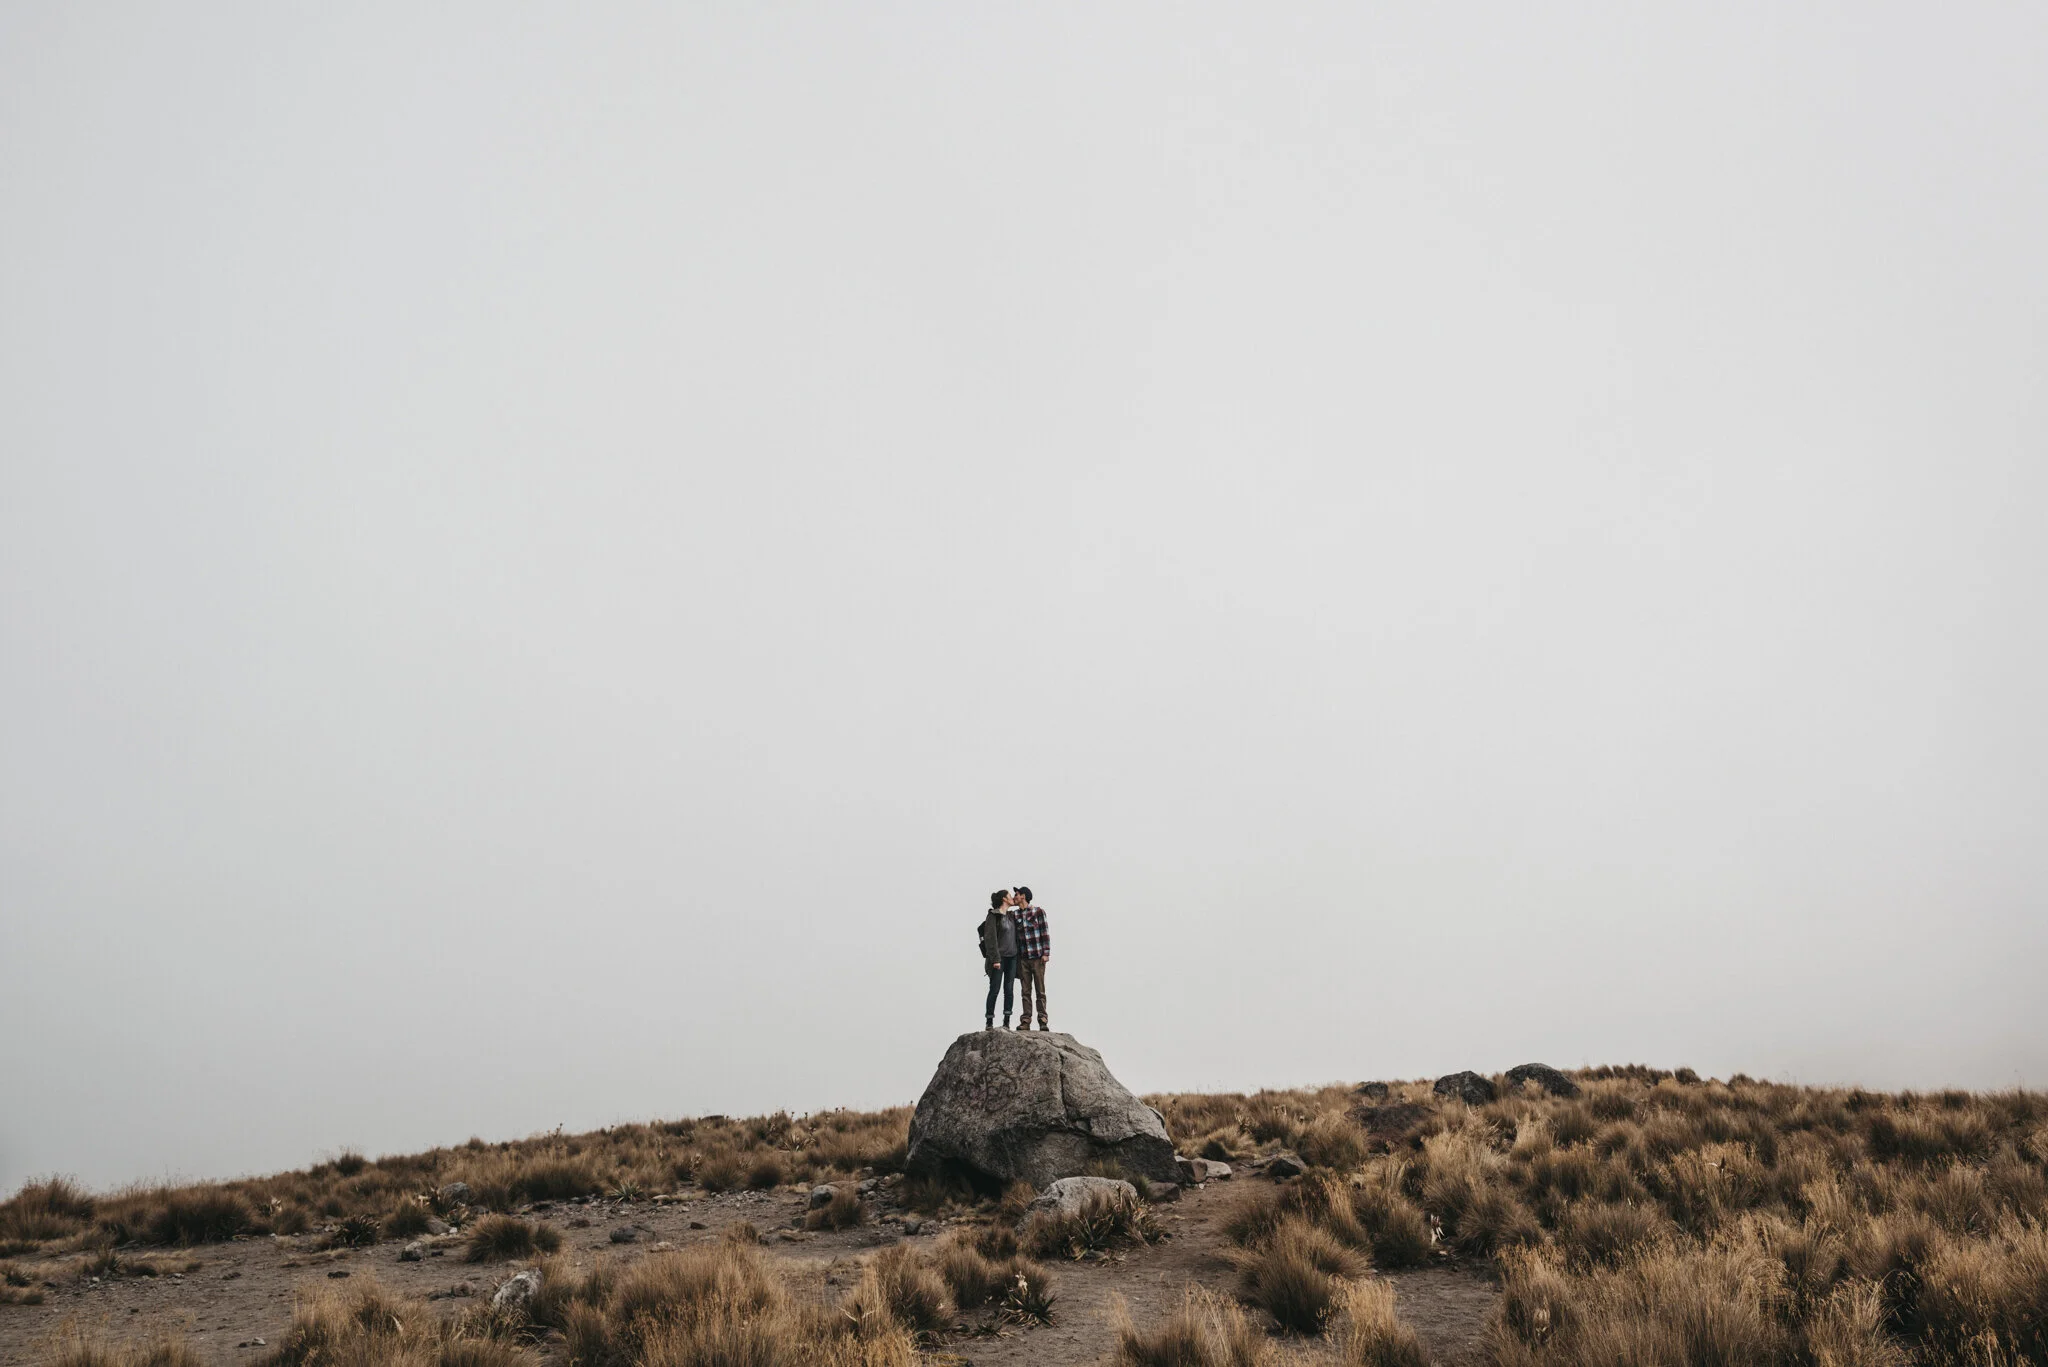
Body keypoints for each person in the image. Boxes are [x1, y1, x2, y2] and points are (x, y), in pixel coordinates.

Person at [1012, 886, 1050, 1031]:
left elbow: (1045, 932)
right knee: (1025, 991)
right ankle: (1026, 1020)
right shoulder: (1015, 915)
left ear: (1023, 896)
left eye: (1016, 894)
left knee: (1040, 990)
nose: (1014, 897)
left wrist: (1046, 953)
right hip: (1023, 959)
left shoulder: (1038, 912)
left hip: (1038, 957)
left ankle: (1043, 1019)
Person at [978, 889, 1018, 1030]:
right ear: (1004, 899)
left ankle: (1006, 1021)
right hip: (998, 959)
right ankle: (989, 1021)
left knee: (1009, 989)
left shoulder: (1012, 916)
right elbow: (990, 939)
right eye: (1009, 896)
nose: (1012, 897)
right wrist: (995, 959)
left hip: (1012, 958)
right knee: (994, 989)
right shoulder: (993, 916)